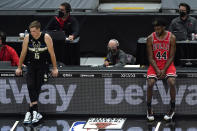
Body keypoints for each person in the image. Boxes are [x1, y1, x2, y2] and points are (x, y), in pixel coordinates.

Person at [15, 21, 58, 124]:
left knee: (37, 87)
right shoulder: (27, 38)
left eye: (34, 31)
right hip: (31, 65)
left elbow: (52, 54)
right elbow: (23, 53)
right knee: (30, 85)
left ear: (39, 30)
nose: (32, 33)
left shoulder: (46, 37)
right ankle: (35, 112)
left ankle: (30, 113)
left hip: (43, 65)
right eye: (31, 31)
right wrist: (19, 67)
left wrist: (55, 68)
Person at [146, 18, 176, 121]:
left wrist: (164, 70)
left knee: (171, 82)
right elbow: (150, 57)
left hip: (168, 65)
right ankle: (149, 108)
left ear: (164, 27)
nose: (156, 30)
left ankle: (172, 108)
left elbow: (171, 56)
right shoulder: (150, 38)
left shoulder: (171, 37)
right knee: (150, 83)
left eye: (159, 28)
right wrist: (158, 70)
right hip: (155, 65)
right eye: (155, 28)